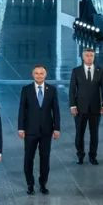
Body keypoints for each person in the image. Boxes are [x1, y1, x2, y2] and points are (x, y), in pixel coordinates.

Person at [17, 65, 59, 194]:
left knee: (45, 158)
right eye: (36, 73)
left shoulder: (52, 90)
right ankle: (30, 184)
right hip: (30, 130)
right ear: (32, 75)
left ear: (45, 75)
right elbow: (22, 109)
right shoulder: (26, 90)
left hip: (47, 130)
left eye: (41, 73)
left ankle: (43, 184)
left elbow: (55, 110)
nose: (39, 75)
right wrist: (21, 128)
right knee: (28, 158)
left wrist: (57, 128)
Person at [69, 48, 103, 165]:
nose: (89, 57)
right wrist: (72, 105)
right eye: (87, 55)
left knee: (94, 134)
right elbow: (72, 90)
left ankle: (93, 156)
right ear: (83, 57)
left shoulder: (100, 71)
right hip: (80, 108)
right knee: (79, 133)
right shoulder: (76, 71)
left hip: (95, 108)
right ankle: (80, 155)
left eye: (91, 55)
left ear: (94, 57)